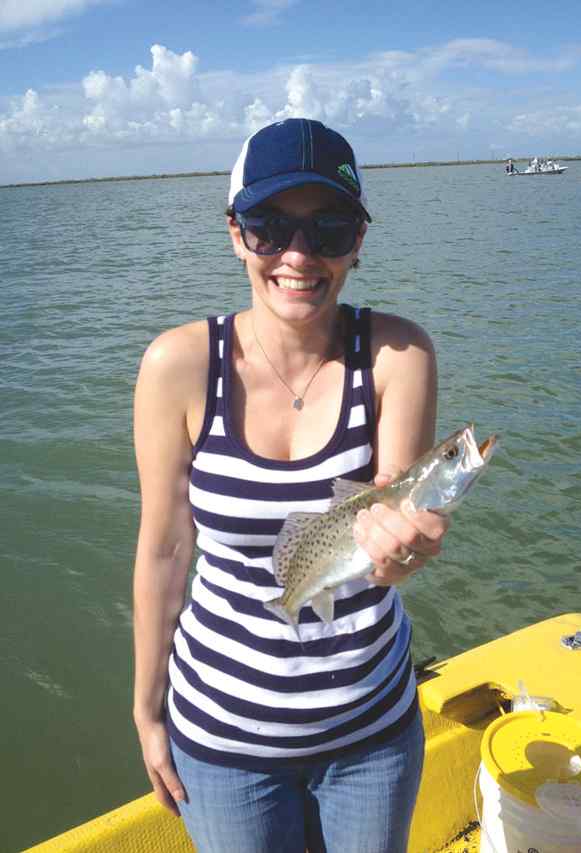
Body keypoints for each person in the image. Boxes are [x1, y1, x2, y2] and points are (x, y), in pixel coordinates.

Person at [132, 117, 449, 853]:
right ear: (235, 233)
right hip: (221, 736)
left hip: (372, 726)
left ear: (359, 242)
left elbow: (393, 508)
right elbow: (163, 552)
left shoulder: (399, 354)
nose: (299, 255)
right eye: (269, 226)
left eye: (330, 228)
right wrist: (148, 711)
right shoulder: (175, 366)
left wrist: (402, 553)